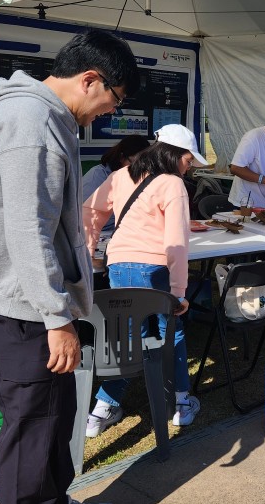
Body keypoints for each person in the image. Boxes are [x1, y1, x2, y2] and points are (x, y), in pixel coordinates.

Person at [0, 28, 140, 504]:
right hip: (20, 306)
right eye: (111, 100)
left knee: (57, 412)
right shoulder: (32, 125)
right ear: (91, 79)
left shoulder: (46, 119)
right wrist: (56, 318)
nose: (106, 114)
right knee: (33, 420)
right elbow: (28, 230)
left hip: (35, 300)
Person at [83, 124, 208, 435]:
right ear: (176, 155)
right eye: (189, 160)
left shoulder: (121, 175)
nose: (189, 167)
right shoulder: (172, 184)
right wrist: (179, 291)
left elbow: (89, 211)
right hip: (155, 269)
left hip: (118, 265)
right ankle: (180, 403)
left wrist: (86, 255)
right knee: (171, 332)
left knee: (127, 337)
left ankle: (101, 410)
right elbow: (177, 241)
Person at [82, 134, 151, 233]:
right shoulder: (98, 176)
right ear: (121, 157)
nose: (139, 169)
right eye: (135, 163)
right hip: (100, 232)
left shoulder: (138, 176)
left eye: (144, 165)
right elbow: (87, 217)